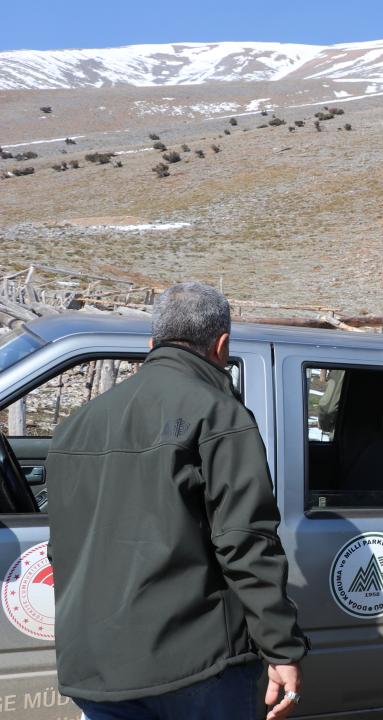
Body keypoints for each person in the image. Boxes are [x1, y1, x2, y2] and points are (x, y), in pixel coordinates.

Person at [46, 282, 307, 720]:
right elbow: (245, 543)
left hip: (94, 666)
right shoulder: (219, 414)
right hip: (195, 665)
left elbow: (63, 548)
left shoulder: (77, 423)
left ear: (153, 344)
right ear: (221, 346)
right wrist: (282, 649)